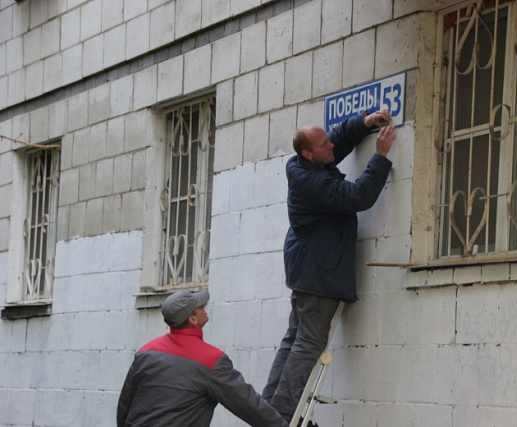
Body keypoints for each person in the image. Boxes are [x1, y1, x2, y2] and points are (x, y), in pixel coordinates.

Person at [262, 110, 396, 423]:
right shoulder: (315, 182)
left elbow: (336, 141)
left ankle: (268, 408)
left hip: (306, 269)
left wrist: (363, 124)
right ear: (308, 153)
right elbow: (359, 195)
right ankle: (280, 413)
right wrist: (380, 156)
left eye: (327, 141)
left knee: (294, 340)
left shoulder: (303, 162)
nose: (331, 146)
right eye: (323, 145)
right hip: (317, 273)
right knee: (308, 342)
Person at [117, 289, 288, 427]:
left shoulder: (146, 351)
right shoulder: (211, 360)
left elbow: (125, 404)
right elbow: (249, 405)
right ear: (192, 319)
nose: (204, 305)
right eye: (200, 306)